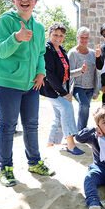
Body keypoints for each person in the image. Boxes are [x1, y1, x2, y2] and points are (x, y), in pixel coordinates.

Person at [0, 0, 54, 187]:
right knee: (8, 126)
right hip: (8, 83)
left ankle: (34, 162)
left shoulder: (38, 26)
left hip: (31, 85)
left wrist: (41, 72)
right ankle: (6, 168)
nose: (24, 0)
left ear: (35, 1)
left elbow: (40, 53)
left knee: (32, 125)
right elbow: (0, 51)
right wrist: (16, 37)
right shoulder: (5, 21)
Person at [40, 22, 84, 155]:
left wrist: (80, 71)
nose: (58, 38)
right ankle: (70, 144)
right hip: (51, 88)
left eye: (61, 35)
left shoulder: (61, 49)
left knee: (59, 116)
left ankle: (51, 144)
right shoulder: (47, 49)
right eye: (55, 35)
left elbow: (65, 72)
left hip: (62, 86)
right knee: (66, 107)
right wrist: (64, 93)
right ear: (49, 35)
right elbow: (50, 74)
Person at [68, 26, 99, 130]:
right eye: (82, 37)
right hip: (77, 86)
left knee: (85, 108)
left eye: (86, 37)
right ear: (77, 38)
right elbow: (68, 73)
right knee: (85, 105)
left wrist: (96, 91)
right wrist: (80, 71)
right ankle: (81, 130)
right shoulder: (72, 53)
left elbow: (96, 73)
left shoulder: (92, 53)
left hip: (90, 87)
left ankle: (81, 130)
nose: (84, 40)